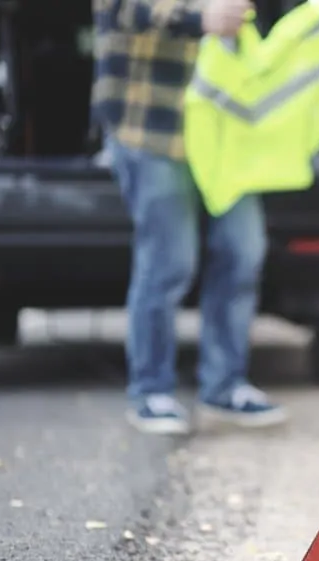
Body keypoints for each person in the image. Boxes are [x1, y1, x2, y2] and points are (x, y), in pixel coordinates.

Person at [91, 0, 288, 435]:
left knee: (243, 252)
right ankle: (151, 392)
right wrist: (201, 18)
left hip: (222, 134)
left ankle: (224, 388)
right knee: (168, 262)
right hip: (151, 130)